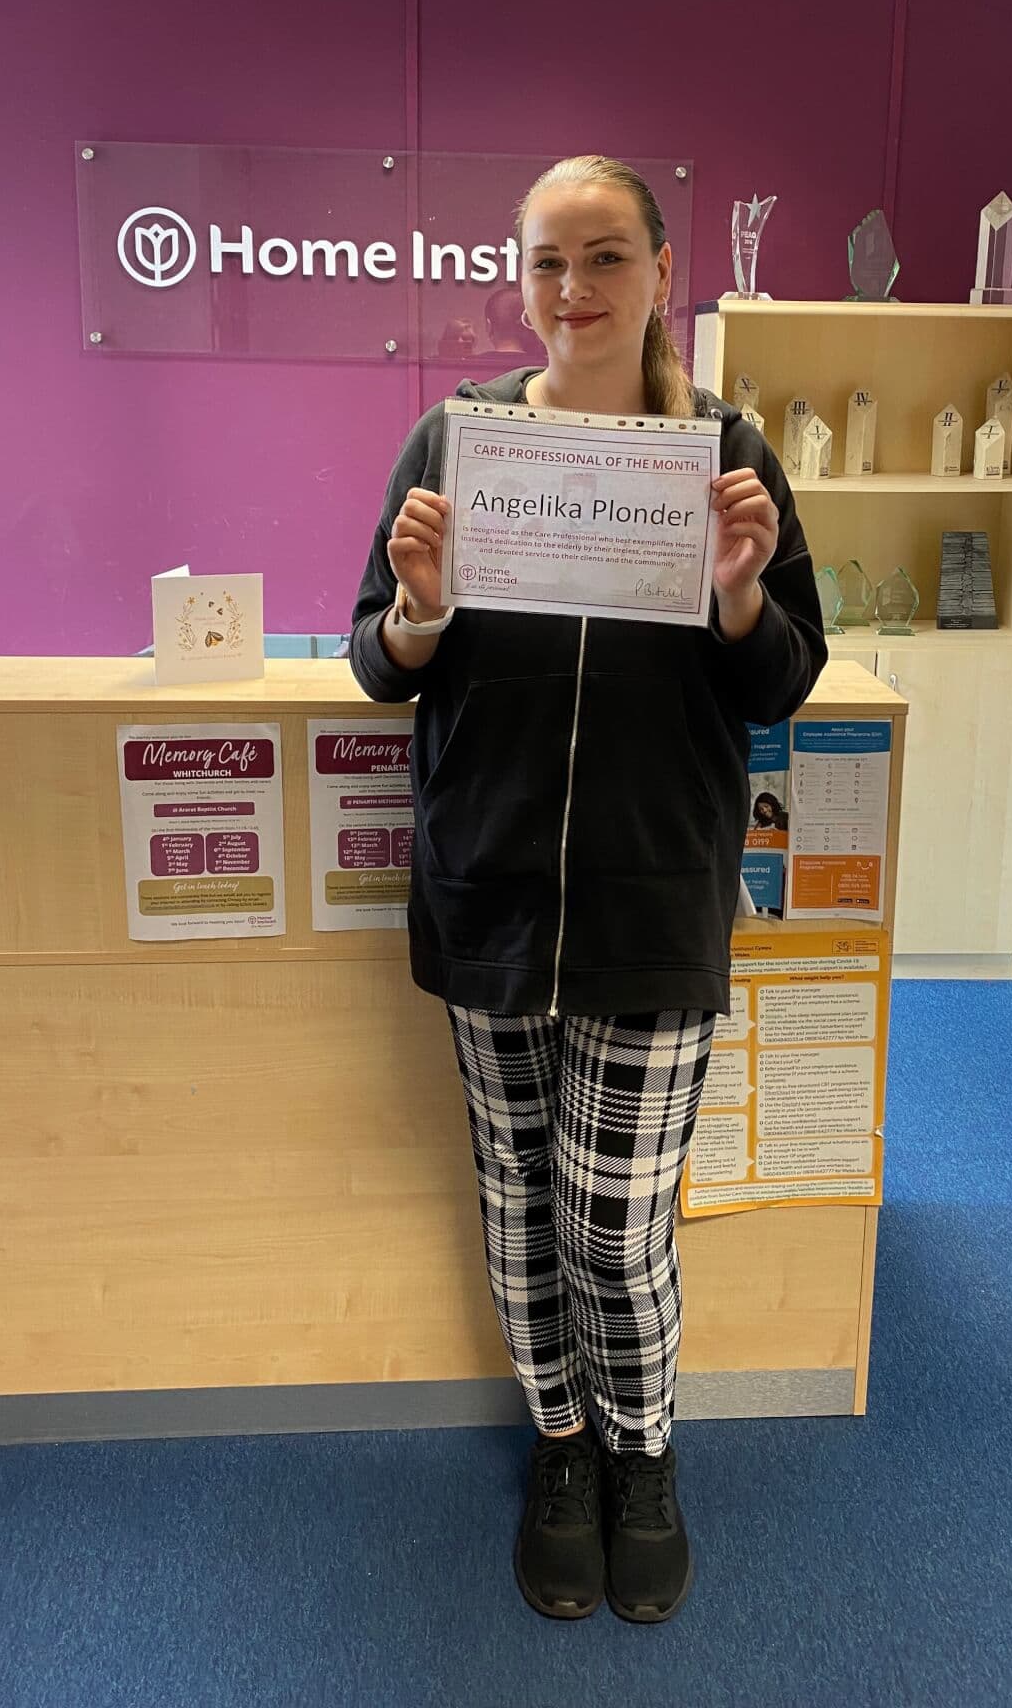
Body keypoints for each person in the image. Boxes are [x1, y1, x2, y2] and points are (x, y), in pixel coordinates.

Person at [349, 154, 826, 1626]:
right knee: (517, 1200)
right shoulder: (457, 439)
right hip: (490, 886)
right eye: (549, 259)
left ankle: (644, 1451)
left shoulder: (723, 452)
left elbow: (785, 681)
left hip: (650, 897)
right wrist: (420, 612)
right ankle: (560, 1445)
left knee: (614, 1225)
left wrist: (738, 593)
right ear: (520, 279)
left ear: (663, 271)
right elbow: (375, 661)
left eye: (606, 255)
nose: (576, 288)